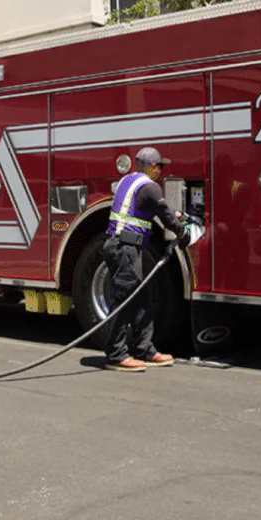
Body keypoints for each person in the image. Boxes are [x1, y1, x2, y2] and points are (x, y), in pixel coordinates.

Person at [102, 147, 190, 372]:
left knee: (142, 300)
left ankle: (144, 349)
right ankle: (116, 355)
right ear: (150, 167)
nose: (161, 170)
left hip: (120, 246)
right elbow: (165, 214)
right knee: (123, 301)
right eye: (160, 166)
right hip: (125, 249)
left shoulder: (127, 181)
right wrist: (182, 231)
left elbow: (143, 208)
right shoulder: (150, 187)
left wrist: (172, 214)